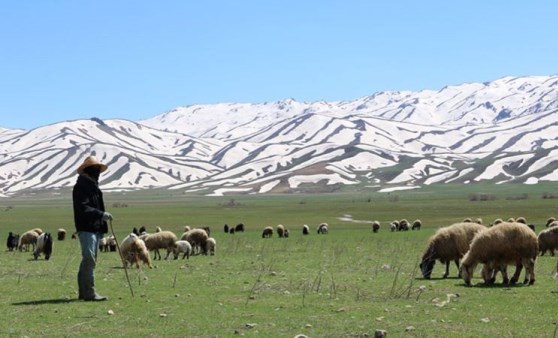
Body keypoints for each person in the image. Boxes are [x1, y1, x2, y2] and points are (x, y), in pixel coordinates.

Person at [72, 155, 113, 301]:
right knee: (89, 259)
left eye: (98, 169)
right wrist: (101, 215)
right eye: (95, 169)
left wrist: (101, 224)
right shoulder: (81, 187)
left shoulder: (94, 187)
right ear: (89, 170)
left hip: (94, 228)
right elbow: (83, 208)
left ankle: (84, 293)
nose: (97, 172)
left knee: (90, 260)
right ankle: (89, 293)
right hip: (86, 227)